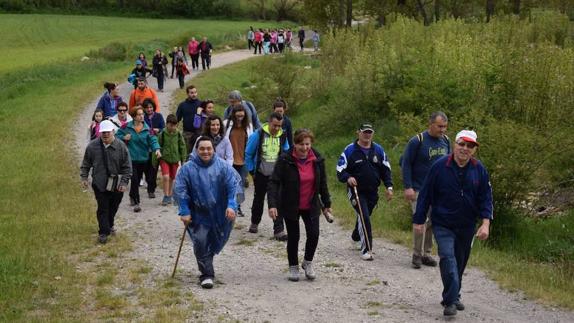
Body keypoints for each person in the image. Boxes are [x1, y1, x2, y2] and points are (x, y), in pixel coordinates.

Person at [413, 130, 493, 317]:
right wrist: (419, 220)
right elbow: (425, 194)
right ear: (455, 145)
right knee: (448, 258)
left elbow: (486, 198)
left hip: (467, 225)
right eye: (461, 144)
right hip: (443, 223)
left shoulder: (479, 169)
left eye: (470, 146)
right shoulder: (439, 167)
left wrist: (485, 223)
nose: (465, 149)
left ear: (474, 149)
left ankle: (453, 295)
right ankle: (450, 302)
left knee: (460, 262)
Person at [174, 136, 241, 289]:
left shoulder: (223, 167)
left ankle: (207, 260)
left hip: (220, 212)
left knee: (216, 240)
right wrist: (184, 210)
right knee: (201, 241)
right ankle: (207, 274)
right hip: (198, 213)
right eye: (202, 149)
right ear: (197, 150)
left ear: (214, 150)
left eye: (209, 148)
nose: (206, 151)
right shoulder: (187, 168)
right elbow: (181, 191)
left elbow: (233, 187)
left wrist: (231, 205)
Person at [268, 129, 332, 282]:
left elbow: (322, 183)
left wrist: (327, 203)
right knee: (294, 237)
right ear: (295, 144)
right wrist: (272, 205)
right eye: (301, 144)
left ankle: (307, 263)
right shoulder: (285, 160)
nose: (304, 148)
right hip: (291, 204)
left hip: (311, 204)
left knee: (314, 234)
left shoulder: (317, 160)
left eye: (307, 144)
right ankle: (293, 266)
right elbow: (274, 182)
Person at [336, 123, 393, 260]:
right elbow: (340, 169)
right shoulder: (350, 150)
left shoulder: (378, 150)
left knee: (365, 214)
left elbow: (386, 170)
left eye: (370, 132)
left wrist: (389, 187)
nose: (367, 135)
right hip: (356, 190)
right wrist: (348, 177)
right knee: (364, 216)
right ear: (358, 133)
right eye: (364, 132)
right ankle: (367, 250)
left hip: (373, 191)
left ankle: (356, 235)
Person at [401, 111, 450, 269]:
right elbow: (406, 163)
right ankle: (416, 254)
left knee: (432, 222)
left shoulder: (446, 141)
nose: (442, 130)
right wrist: (408, 187)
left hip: (439, 191)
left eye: (445, 127)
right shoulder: (417, 141)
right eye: (439, 126)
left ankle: (426, 254)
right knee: (420, 222)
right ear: (431, 124)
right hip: (418, 189)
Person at [81, 120, 132, 244]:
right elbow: (86, 163)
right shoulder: (92, 147)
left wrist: (124, 183)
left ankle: (110, 224)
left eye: (108, 132)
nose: (105, 135)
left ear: (113, 132)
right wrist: (84, 177)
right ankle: (103, 232)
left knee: (113, 206)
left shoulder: (121, 147)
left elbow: (127, 167)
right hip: (99, 183)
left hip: (117, 184)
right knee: (103, 207)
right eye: (103, 132)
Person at [245, 112, 290, 240]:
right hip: (261, 174)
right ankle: (254, 222)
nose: (276, 129)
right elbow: (248, 153)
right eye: (274, 125)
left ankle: (279, 230)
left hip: (276, 176)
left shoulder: (282, 135)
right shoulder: (258, 135)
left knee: (277, 201)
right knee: (258, 199)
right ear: (269, 122)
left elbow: (286, 151)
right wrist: (252, 170)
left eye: (279, 126)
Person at [116, 106, 161, 213]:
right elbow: (116, 136)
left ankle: (132, 195)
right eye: (139, 114)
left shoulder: (147, 128)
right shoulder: (126, 126)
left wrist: (157, 149)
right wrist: (123, 137)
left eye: (142, 114)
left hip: (143, 159)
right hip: (130, 159)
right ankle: (136, 202)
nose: (142, 116)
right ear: (134, 117)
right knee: (135, 179)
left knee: (138, 179)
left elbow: (153, 139)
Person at [224, 104, 254, 216]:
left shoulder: (249, 126)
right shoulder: (227, 124)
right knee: (229, 183)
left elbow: (252, 142)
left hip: (243, 160)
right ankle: (228, 205)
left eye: (242, 111)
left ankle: (238, 206)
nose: (240, 114)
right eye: (238, 111)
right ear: (234, 113)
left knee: (240, 183)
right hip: (229, 160)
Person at [157, 114, 187, 206]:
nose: (173, 127)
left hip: (174, 159)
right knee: (166, 177)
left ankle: (169, 195)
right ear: (166, 124)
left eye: (175, 125)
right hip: (164, 158)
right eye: (171, 125)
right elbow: (158, 146)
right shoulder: (162, 134)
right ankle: (166, 195)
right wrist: (155, 161)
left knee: (172, 178)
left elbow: (182, 147)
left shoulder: (178, 134)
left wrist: (183, 160)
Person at [176, 85, 202, 154]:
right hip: (187, 134)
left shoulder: (201, 104)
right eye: (192, 93)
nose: (194, 94)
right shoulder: (182, 105)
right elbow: (177, 120)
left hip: (199, 133)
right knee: (187, 154)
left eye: (195, 92)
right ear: (187, 94)